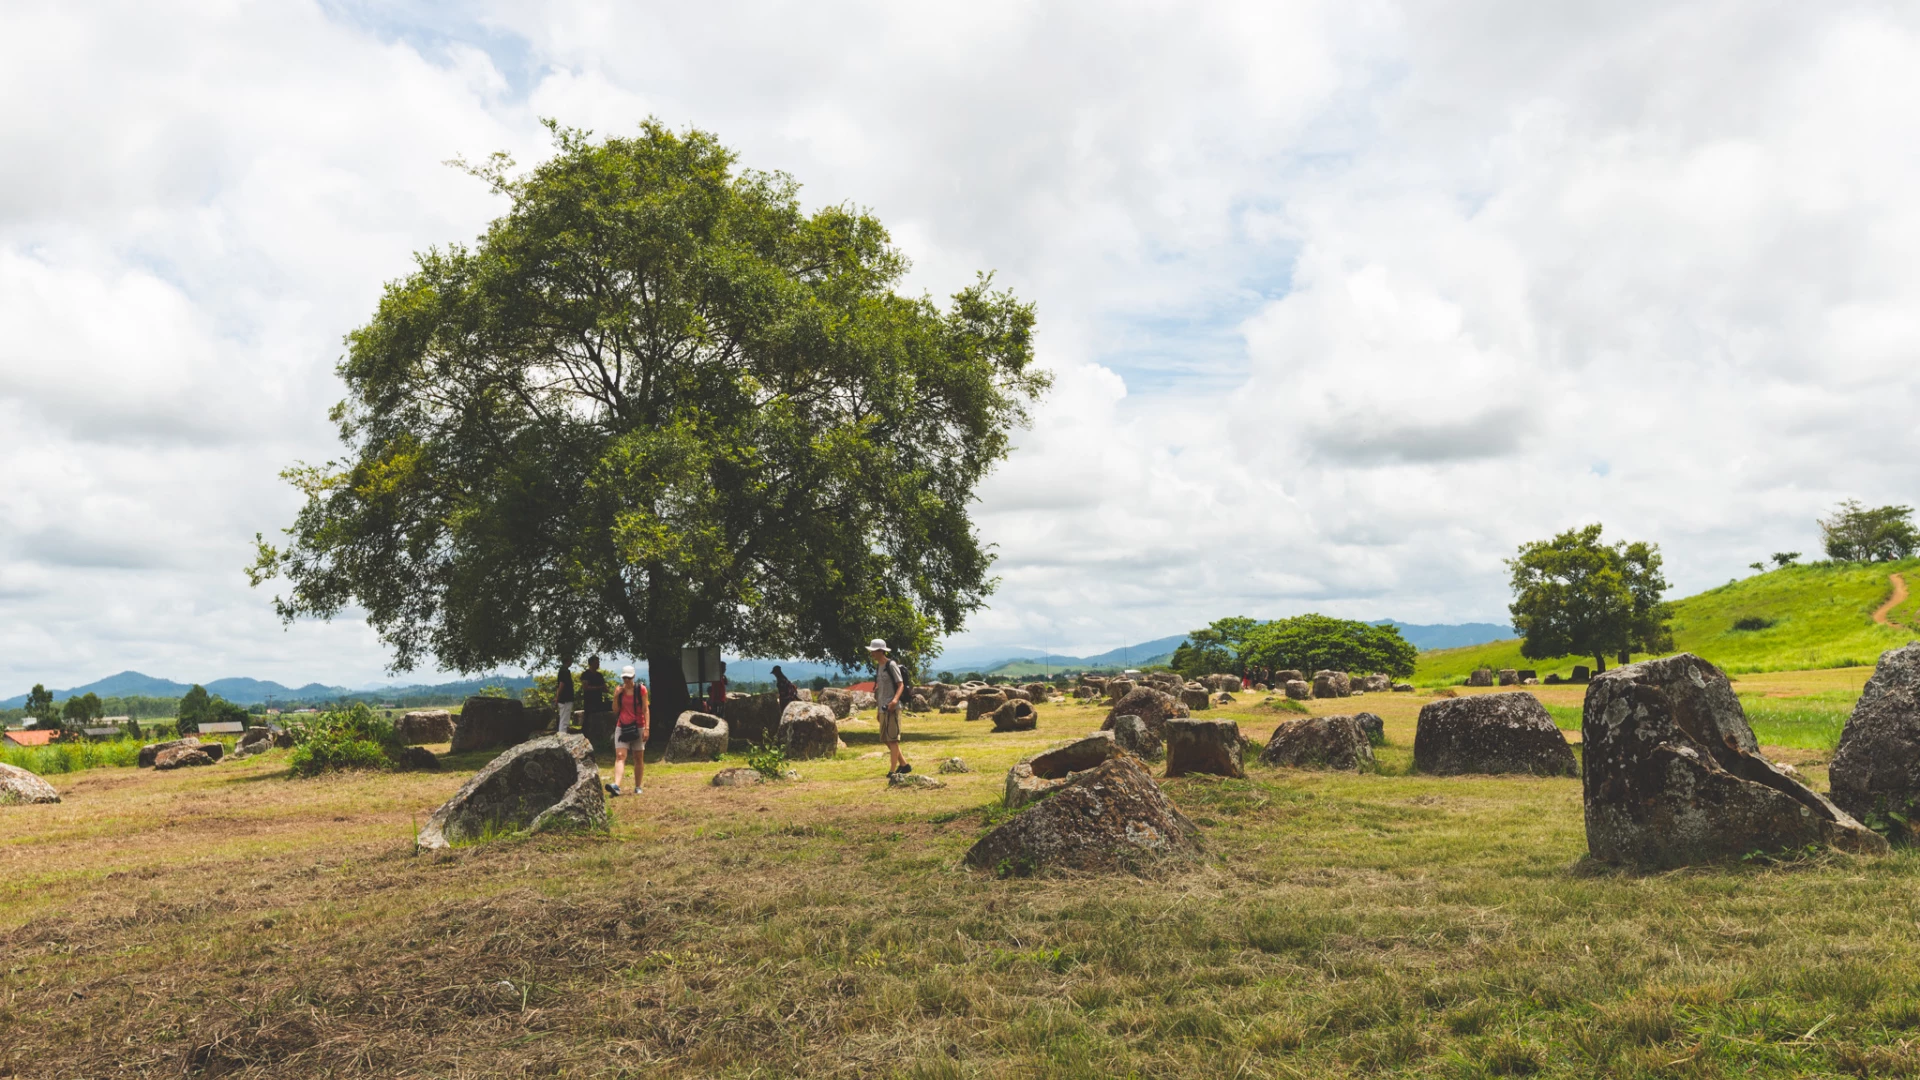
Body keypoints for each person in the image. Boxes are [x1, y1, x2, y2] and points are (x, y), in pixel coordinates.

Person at [869, 638, 909, 776]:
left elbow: (901, 684)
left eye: (874, 651)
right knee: (885, 738)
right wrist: (878, 710)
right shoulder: (879, 667)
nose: (872, 653)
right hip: (883, 707)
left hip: (893, 707)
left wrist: (894, 701)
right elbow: (880, 690)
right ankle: (904, 765)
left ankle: (892, 771)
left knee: (893, 739)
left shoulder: (891, 665)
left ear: (881, 651)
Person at [608, 666, 647, 796]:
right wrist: (615, 696)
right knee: (620, 755)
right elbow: (615, 710)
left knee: (638, 757)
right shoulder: (619, 690)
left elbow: (645, 709)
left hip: (638, 726)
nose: (627, 680)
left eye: (629, 678)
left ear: (633, 677)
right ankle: (616, 786)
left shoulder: (641, 689)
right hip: (622, 726)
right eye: (625, 678)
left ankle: (638, 786)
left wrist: (647, 728)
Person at [579, 655, 609, 739]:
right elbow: (585, 687)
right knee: (588, 717)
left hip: (598, 700)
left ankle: (598, 734)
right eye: (596, 663)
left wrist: (606, 689)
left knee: (599, 717)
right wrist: (599, 688)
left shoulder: (599, 675)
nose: (598, 664)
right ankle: (585, 735)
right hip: (589, 700)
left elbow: (604, 687)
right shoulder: (586, 674)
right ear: (591, 663)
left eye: (598, 662)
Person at [554, 662, 575, 736]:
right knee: (564, 719)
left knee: (564, 718)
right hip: (565, 698)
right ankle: (562, 735)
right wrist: (558, 697)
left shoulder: (562, 670)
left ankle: (562, 733)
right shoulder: (564, 671)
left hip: (564, 698)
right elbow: (561, 684)